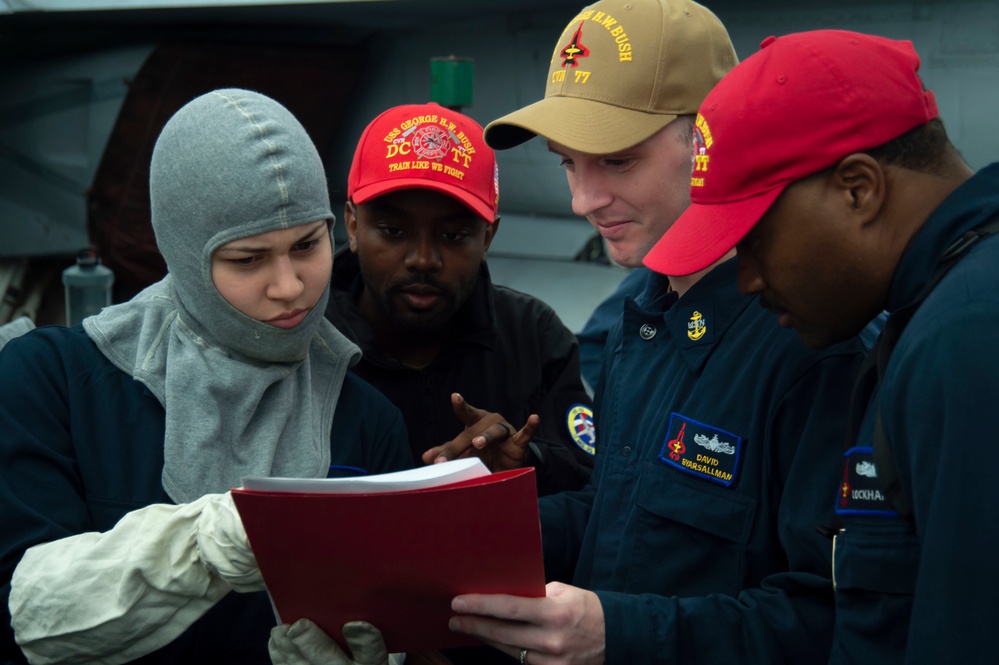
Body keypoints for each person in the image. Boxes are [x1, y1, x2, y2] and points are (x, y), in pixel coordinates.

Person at [444, 1, 873, 663]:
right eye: (567, 163)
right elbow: (619, 515)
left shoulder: (812, 346)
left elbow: (840, 618)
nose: (582, 200)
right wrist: (468, 528)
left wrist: (618, 633)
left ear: (712, 141)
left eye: (615, 162)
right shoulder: (639, 324)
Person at [0, 88, 413, 664]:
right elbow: (22, 616)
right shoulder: (50, 383)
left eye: (307, 245)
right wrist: (199, 543)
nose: (289, 286)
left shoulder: (365, 417)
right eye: (247, 259)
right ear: (184, 252)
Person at [647, 29, 997, 664]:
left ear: (858, 189)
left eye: (755, 240)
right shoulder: (941, 312)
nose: (747, 280)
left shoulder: (968, 338)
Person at [324, 101, 596, 496]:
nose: (423, 260)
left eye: (452, 236)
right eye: (392, 231)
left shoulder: (535, 337)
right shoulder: (306, 345)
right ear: (352, 224)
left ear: (487, 237)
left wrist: (527, 464)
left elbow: (593, 490)